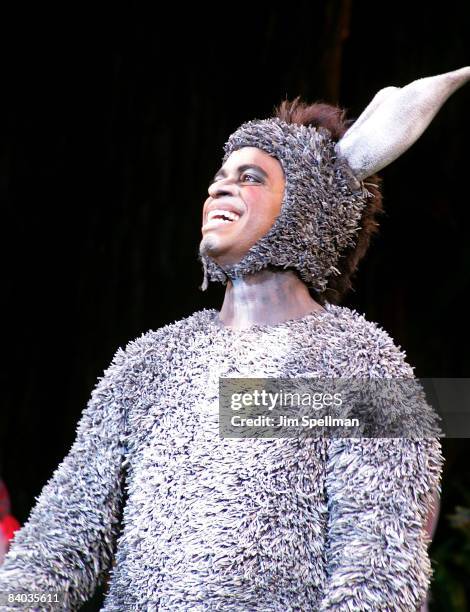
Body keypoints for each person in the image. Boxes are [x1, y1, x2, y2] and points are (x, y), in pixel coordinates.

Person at [0, 67, 468, 611]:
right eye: (220, 176)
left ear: (309, 209)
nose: (220, 186)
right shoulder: (147, 364)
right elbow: (57, 545)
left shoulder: (364, 362)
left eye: (251, 177)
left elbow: (377, 566)